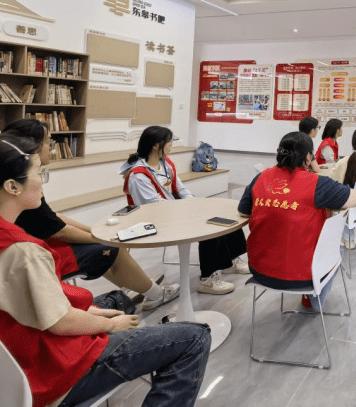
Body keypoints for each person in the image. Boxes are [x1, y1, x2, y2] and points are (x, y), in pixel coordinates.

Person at [0, 134, 211, 407]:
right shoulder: (23, 251)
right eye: (39, 173)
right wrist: (109, 325)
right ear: (12, 187)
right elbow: (61, 322)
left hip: (18, 355)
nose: (42, 181)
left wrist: (92, 314)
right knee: (196, 337)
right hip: (53, 370)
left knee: (119, 300)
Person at [3, 119, 178, 311]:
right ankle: (154, 294)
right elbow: (58, 229)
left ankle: (137, 285)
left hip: (42, 245)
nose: (51, 148)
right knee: (110, 248)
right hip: (45, 252)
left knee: (105, 245)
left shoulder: (22, 188)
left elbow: (52, 218)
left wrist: (94, 231)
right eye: (48, 142)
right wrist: (100, 237)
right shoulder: (23, 193)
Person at [238, 132, 356, 310]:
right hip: (304, 277)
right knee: (339, 247)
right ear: (309, 157)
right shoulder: (318, 184)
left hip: (259, 271)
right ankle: (315, 299)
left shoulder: (261, 177)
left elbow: (243, 211)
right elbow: (355, 199)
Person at [120, 126, 248, 296]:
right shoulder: (138, 176)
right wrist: (190, 212)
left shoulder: (165, 163)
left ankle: (230, 261)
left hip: (174, 210)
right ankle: (207, 280)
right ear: (156, 145)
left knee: (224, 215)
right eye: (169, 141)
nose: (171, 145)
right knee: (210, 227)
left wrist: (195, 203)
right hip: (156, 220)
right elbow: (155, 207)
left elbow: (180, 189)